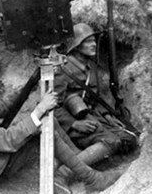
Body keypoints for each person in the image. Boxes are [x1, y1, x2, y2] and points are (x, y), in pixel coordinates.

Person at [0, 54, 121, 194]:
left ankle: (79, 164)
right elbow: (6, 140)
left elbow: (3, 107)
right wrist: (39, 109)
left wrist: (30, 85)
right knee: (42, 126)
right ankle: (91, 177)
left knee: (46, 120)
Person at [53, 23, 138, 169]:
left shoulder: (90, 66)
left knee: (129, 138)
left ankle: (95, 162)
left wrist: (107, 116)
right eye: (88, 41)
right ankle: (63, 174)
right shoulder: (63, 70)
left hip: (92, 116)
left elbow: (94, 97)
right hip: (72, 124)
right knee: (112, 141)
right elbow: (51, 106)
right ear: (77, 45)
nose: (94, 44)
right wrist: (74, 124)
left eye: (94, 41)